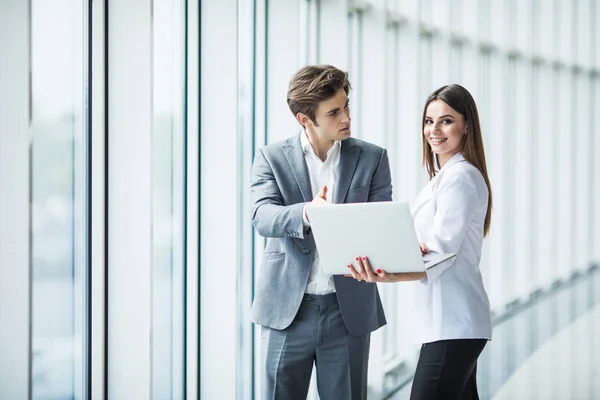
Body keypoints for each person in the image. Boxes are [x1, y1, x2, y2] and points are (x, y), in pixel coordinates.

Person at [250, 64, 393, 400]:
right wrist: (306, 212)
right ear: (305, 119)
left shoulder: (372, 157)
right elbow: (261, 216)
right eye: (334, 112)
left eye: (346, 106)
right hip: (287, 312)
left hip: (347, 313)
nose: (346, 117)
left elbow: (381, 222)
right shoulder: (271, 158)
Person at [347, 84, 493, 400]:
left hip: (454, 323)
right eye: (429, 121)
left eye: (446, 120)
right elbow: (426, 247)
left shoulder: (461, 179)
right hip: (449, 324)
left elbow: (441, 252)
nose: (434, 130)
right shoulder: (444, 179)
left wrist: (387, 272)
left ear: (466, 125)